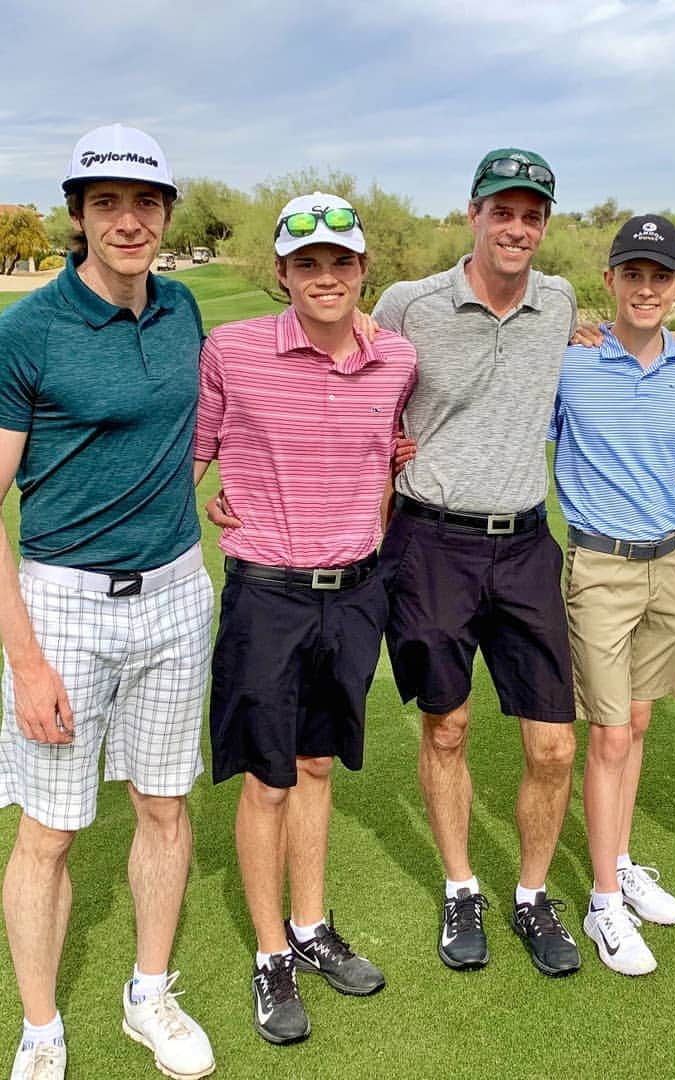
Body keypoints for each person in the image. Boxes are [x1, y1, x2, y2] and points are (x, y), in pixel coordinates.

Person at [0, 124, 215, 1080]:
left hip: (176, 593)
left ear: (166, 214)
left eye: (145, 203)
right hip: (65, 608)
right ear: (79, 218)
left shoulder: (182, 309)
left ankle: (149, 993)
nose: (128, 222)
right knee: (50, 832)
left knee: (165, 809)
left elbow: (199, 426)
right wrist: (26, 659)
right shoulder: (28, 331)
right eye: (106, 205)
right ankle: (41, 1030)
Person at [193, 193, 416, 1044]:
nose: (326, 277)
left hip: (357, 591)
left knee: (318, 767)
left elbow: (400, 446)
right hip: (269, 594)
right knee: (268, 779)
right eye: (307, 264)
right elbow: (196, 455)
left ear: (363, 270)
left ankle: (312, 927)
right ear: (282, 272)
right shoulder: (234, 350)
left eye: (341, 263)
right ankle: (268, 954)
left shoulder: (396, 359)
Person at [372, 149, 581, 977]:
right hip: (431, 543)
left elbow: (591, 348)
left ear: (543, 226)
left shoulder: (561, 301)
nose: (517, 228)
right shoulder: (410, 304)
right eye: (503, 211)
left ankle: (532, 896)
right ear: (474, 214)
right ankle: (463, 886)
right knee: (448, 725)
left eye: (532, 215)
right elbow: (358, 389)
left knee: (554, 746)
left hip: (526, 539)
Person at [551, 215, 675, 975]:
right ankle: (604, 902)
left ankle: (617, 860)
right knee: (609, 735)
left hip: (672, 562)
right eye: (632, 274)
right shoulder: (570, 365)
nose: (646, 289)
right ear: (609, 281)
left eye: (661, 276)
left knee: (638, 724)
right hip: (601, 569)